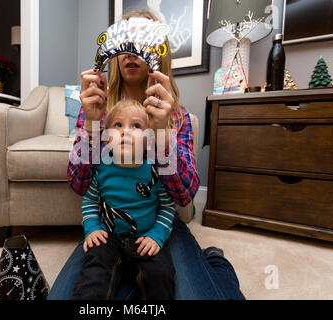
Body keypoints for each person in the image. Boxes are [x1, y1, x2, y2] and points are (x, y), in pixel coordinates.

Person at [48, 9, 245, 300]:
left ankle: (215, 262)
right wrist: (90, 125)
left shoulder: (177, 117)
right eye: (125, 41)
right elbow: (79, 186)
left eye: (142, 41)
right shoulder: (97, 111)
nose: (132, 51)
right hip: (109, 226)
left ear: (158, 53)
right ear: (115, 52)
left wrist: (163, 133)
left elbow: (184, 198)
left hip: (157, 224)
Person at [71, 100, 176, 300]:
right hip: (108, 238)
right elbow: (90, 200)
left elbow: (168, 206)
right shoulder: (101, 166)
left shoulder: (155, 168)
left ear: (148, 139)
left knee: (162, 277)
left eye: (136, 126)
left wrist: (157, 235)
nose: (125, 132)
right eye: (118, 125)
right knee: (92, 280)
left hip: (146, 238)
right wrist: (92, 228)